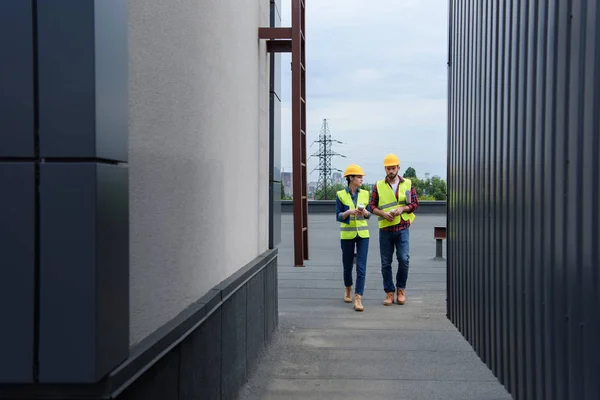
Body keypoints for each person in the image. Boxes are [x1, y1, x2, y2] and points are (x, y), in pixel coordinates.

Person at [369, 154, 419, 306]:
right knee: (386, 263)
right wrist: (383, 213)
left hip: (402, 227)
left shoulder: (408, 184)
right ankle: (389, 292)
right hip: (385, 229)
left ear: (398, 168)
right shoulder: (378, 185)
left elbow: (414, 204)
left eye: (393, 168)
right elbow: (371, 206)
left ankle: (401, 290)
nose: (390, 171)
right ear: (385, 169)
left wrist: (403, 208)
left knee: (404, 259)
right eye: (388, 168)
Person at [335, 164, 372, 312]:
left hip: (363, 235)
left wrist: (364, 213)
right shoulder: (340, 194)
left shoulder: (365, 194)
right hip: (347, 235)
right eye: (358, 176)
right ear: (350, 178)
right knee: (347, 265)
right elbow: (338, 215)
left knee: (361, 267)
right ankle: (348, 288)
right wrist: (348, 212)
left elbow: (369, 215)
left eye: (361, 176)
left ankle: (358, 298)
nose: (361, 179)